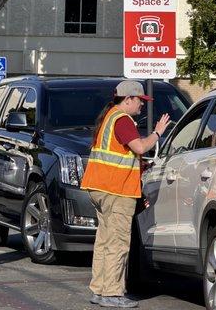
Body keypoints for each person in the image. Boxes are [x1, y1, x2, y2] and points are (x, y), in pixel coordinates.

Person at [81, 80, 171, 308]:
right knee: (118, 243)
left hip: (100, 187)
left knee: (104, 241)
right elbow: (140, 147)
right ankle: (112, 294)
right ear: (129, 99)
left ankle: (100, 290)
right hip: (116, 190)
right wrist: (158, 133)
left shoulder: (109, 117)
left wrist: (140, 167)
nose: (142, 105)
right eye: (140, 101)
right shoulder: (122, 120)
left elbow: (121, 154)